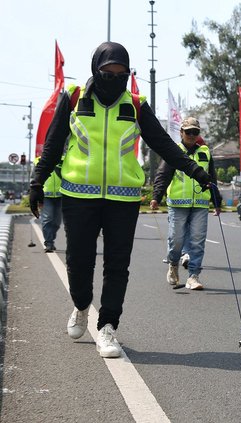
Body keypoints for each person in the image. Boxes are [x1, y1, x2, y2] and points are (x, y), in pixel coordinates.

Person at [29, 42, 211, 358]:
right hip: (78, 196)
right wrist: (37, 182)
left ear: (128, 74)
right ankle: (81, 305)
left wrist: (199, 173)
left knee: (117, 265)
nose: (114, 78)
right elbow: (54, 142)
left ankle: (107, 328)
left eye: (121, 73)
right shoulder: (74, 98)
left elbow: (165, 146)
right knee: (79, 261)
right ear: (95, 70)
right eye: (107, 73)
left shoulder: (136, 105)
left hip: (123, 199)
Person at [150, 117, 222, 290]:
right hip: (177, 203)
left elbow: (211, 178)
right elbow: (163, 175)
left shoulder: (205, 151)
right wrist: (156, 197)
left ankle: (193, 276)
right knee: (176, 240)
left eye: (195, 132)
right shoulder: (173, 151)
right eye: (188, 131)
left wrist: (217, 201)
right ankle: (173, 265)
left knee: (197, 240)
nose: (191, 135)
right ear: (181, 132)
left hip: (200, 204)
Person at [33, 156, 63, 253]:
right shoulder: (38, 160)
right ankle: (48, 243)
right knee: (47, 219)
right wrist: (34, 192)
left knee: (57, 222)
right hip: (46, 195)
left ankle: (51, 239)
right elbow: (33, 177)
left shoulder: (63, 159)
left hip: (61, 194)